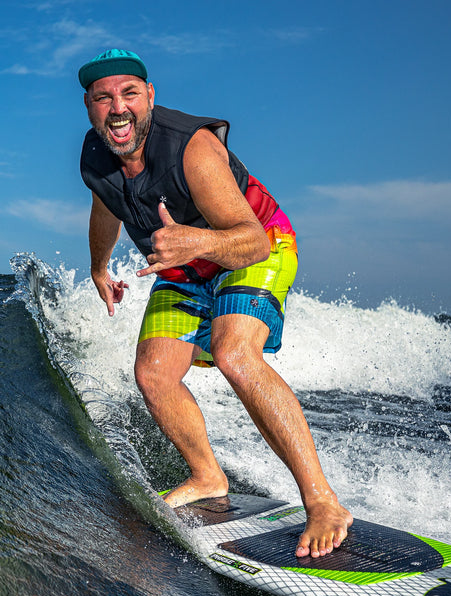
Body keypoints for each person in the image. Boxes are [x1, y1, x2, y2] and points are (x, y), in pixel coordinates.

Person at [79, 49, 352, 558]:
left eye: (129, 93)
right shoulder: (96, 156)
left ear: (149, 97)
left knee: (234, 354)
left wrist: (198, 242)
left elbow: (253, 242)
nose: (117, 108)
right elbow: (105, 205)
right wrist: (99, 267)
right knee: (153, 373)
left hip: (256, 245)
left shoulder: (192, 148)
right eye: (103, 98)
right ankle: (207, 476)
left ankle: (322, 501)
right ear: (89, 106)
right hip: (184, 266)